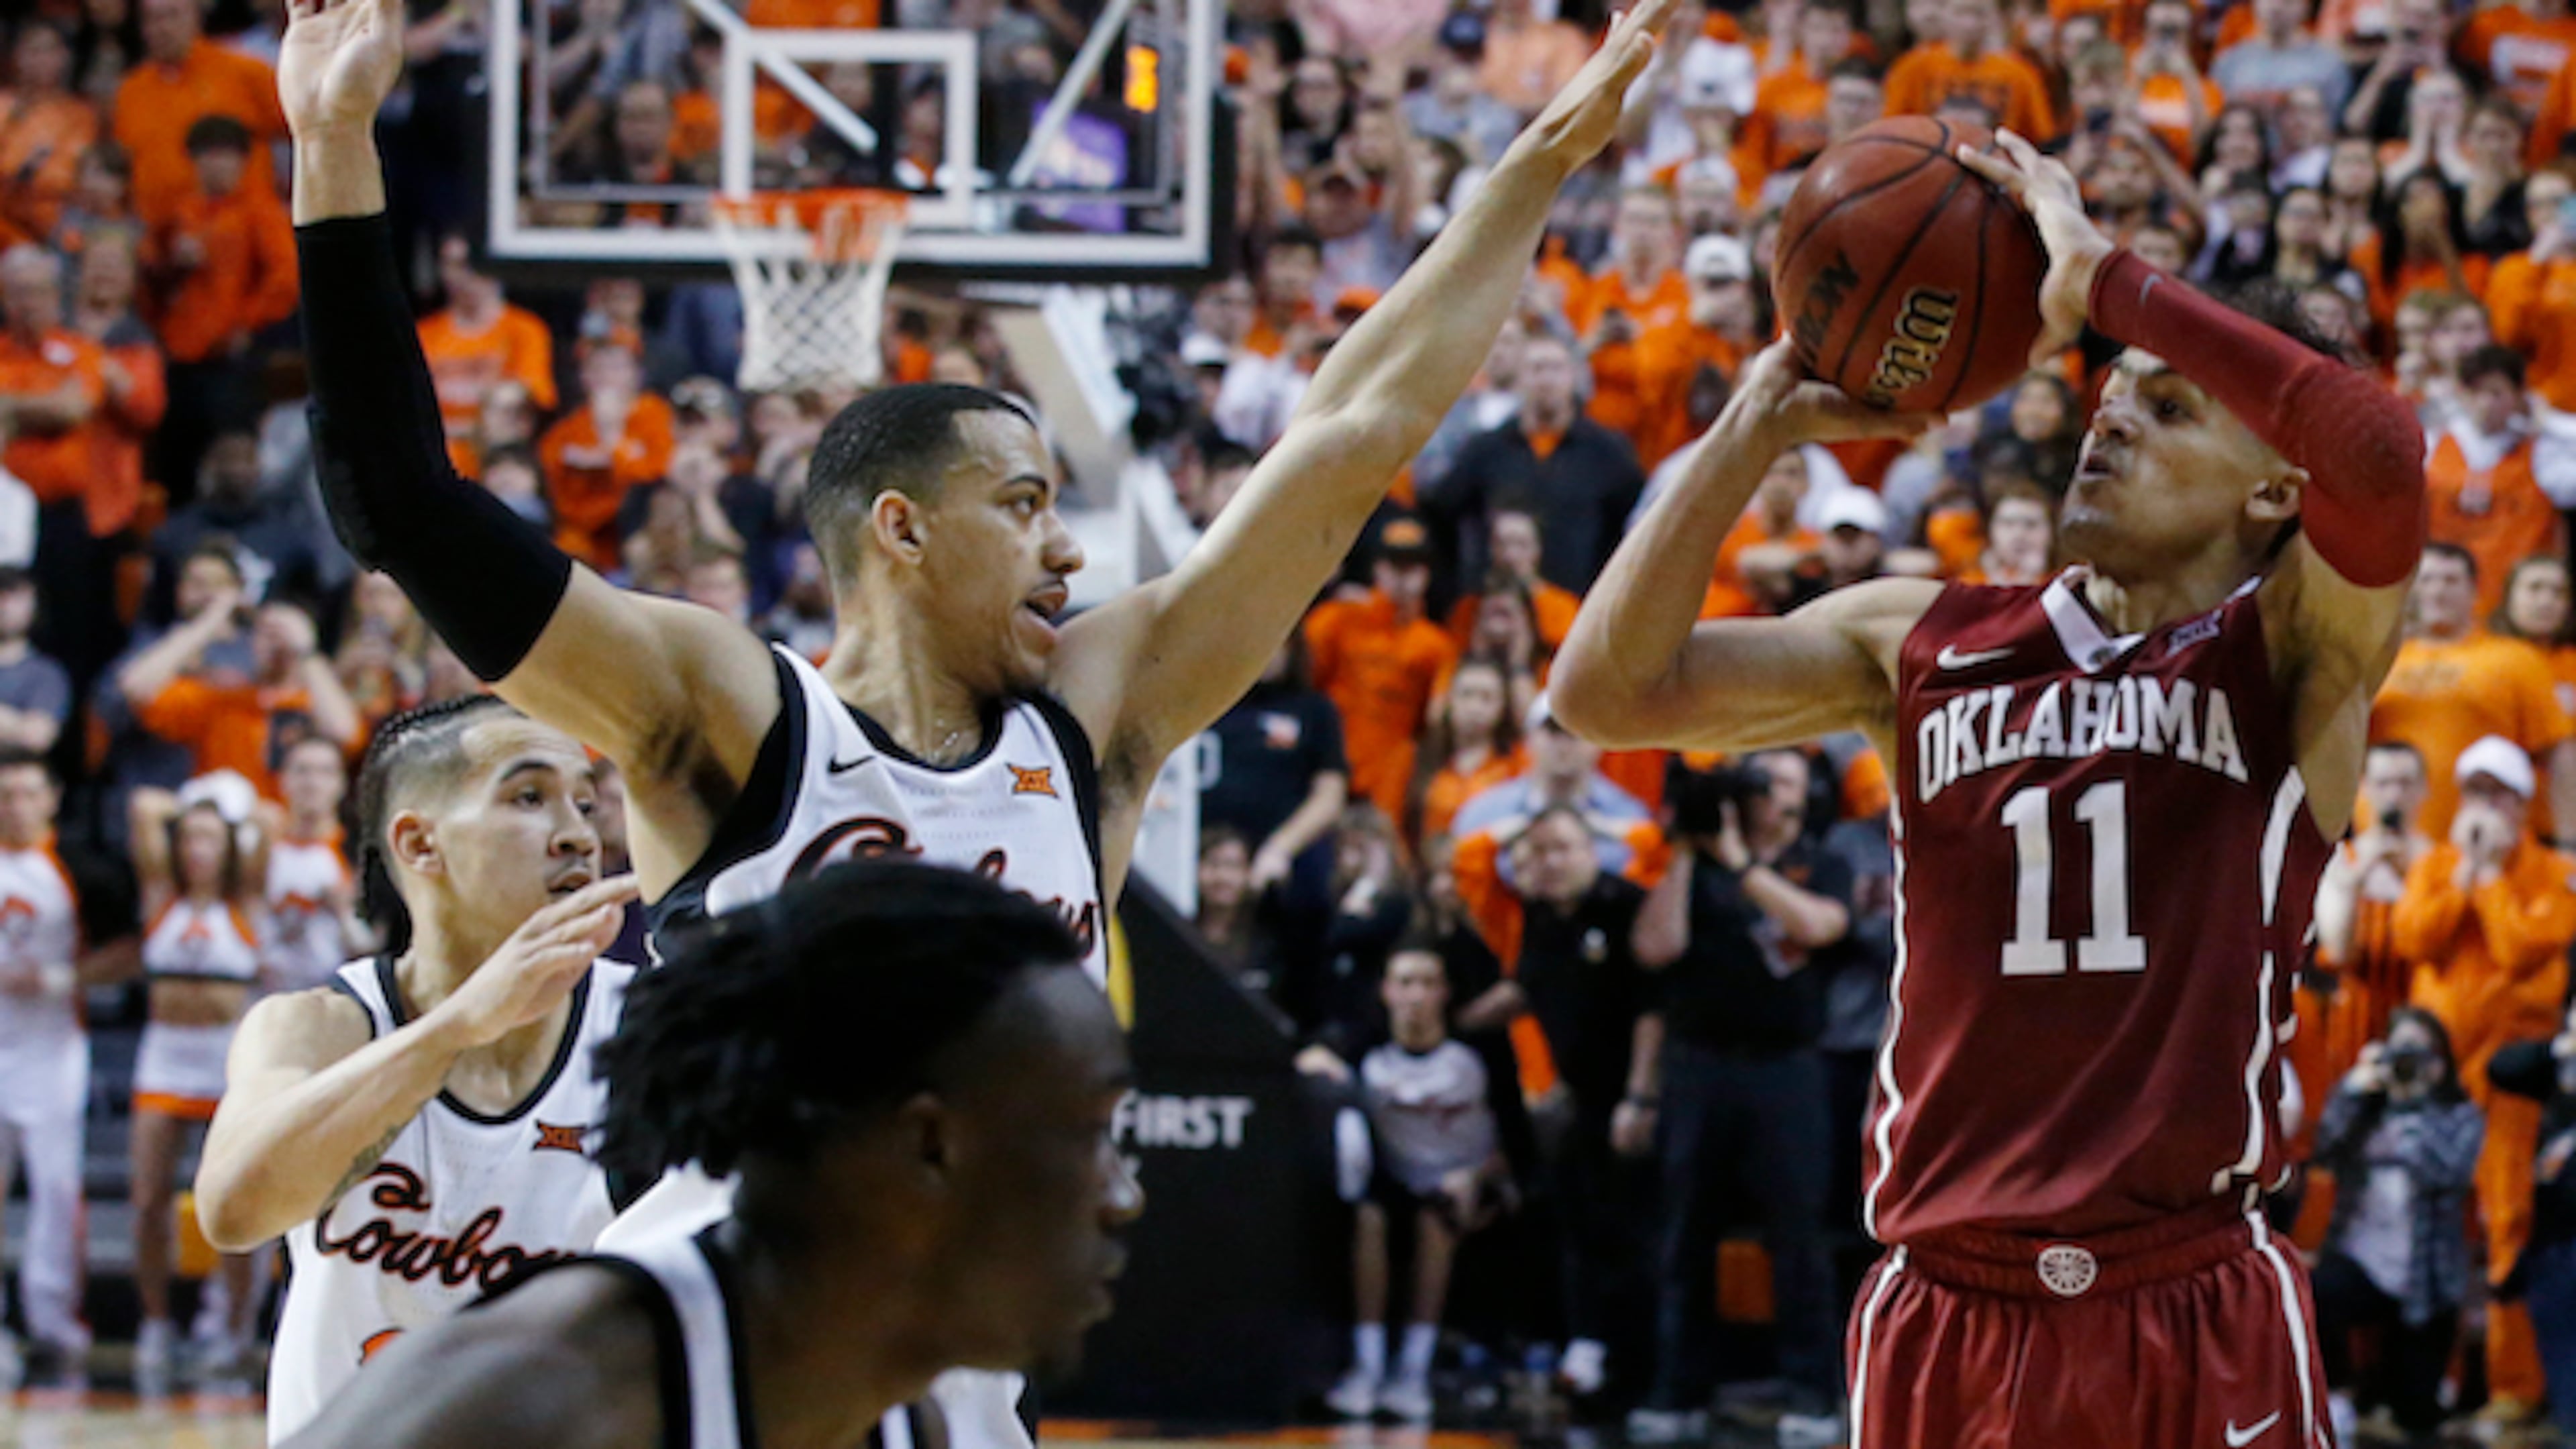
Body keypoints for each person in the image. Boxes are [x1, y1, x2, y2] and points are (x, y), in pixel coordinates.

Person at [280, 0, 1675, 1443]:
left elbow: (1358, 426)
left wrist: (1542, 163)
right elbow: (396, 502)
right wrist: (333, 142)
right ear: (900, 529)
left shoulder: (1091, 718)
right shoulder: (734, 715)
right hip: (728, 1367)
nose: (1067, 553)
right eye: (1025, 506)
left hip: (958, 1403)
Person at [1554, 119, 2430, 1445]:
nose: (2113, 417)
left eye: (2174, 405)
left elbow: (2377, 459)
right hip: (1949, 1312)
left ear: (2272, 497)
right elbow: (1605, 694)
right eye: (2115, 391)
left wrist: (2105, 280)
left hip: (2191, 1302)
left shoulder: (2295, 655)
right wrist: (1754, 424)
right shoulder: (1917, 636)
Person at [277, 859, 1140, 1449]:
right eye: (1090, 1132)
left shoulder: (890, 1410)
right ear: (927, 1144)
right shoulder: (539, 1402)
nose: (1123, 1195)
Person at [189, 697, 639, 1442]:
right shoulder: (319, 1026)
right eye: (530, 797)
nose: (578, 835)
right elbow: (234, 1211)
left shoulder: (645, 1029)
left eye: (586, 804)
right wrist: (460, 1026)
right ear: (420, 845)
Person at [1628, 751, 1852, 1448]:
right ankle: (1679, 1391)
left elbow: (1820, 928)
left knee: (1800, 1239)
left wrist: (1741, 864)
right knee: (1684, 1235)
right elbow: (1655, 949)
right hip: (1700, 1067)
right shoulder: (1702, 864)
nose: (1761, 792)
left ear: (1799, 799)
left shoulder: (1823, 860)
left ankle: (1813, 1395)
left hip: (1788, 1070)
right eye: (1754, 781)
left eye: (1776, 781)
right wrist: (1693, 851)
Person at [2391, 735, 2576, 1428]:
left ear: (2525, 804)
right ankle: (2432, 1388)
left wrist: (2494, 877)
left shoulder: (2552, 870)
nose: (2484, 806)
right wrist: (2469, 871)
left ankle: (2514, 1390)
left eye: (2497, 793)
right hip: (2438, 1083)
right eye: (2474, 791)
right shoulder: (2442, 864)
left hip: (2508, 1085)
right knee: (2429, 1232)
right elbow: (2415, 940)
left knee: (2507, 1228)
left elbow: (2525, 951)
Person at [1325, 947, 1511, 1423]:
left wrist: (1478, 1177)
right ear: (1386, 991)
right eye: (1405, 983)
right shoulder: (1369, 1053)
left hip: (1470, 1182)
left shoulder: (1476, 1055)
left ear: (1445, 993)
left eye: (1428, 984)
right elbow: (1311, 1056)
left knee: (1436, 1218)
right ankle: (1367, 1366)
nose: (1416, 996)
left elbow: (1519, 1137)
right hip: (1398, 1180)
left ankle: (1413, 1369)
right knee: (1369, 1217)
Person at [129, 782, 270, 1391]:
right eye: (189, 836)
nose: (198, 848)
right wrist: (195, 808)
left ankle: (233, 1330)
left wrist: (228, 812)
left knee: (230, 1202)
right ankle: (157, 1325)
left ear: (231, 844)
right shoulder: (162, 895)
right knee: (147, 1199)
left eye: (211, 837)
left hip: (223, 1059)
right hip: (163, 1057)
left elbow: (270, 813)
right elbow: (142, 805)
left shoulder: (246, 899)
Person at [0, 745, 129, 1387]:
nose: (17, 806)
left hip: (52, 1049)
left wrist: (61, 977)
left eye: (28, 793)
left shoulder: (80, 867)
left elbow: (132, 948)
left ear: (51, 799)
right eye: (7, 795)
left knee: (55, 1189)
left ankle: (52, 1321)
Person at [2307, 1009, 2484, 1446]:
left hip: (2427, 1278)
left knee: (2417, 1418)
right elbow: (2322, 1151)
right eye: (2400, 1051)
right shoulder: (2364, 1107)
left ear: (2441, 1062)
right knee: (2312, 1292)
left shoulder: (2460, 1115)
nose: (2409, 1063)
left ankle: (2404, 1401)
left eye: (2421, 1053)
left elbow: (2445, 1172)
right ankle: (2340, 1399)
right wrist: (2354, 1088)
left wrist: (2413, 1107)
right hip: (2361, 1260)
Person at [2371, 543, 2576, 844]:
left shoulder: (2516, 659)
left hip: (2488, 844)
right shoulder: (2377, 661)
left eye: (2451, 580)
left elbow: (2559, 756)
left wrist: (2569, 842)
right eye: (2427, 580)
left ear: (2475, 590)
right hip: (2382, 842)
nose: (2438, 591)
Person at [2487, 998, 2576, 1438]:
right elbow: (2503, 1069)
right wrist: (2563, 1047)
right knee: (2563, 1358)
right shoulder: (2561, 1070)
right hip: (2556, 1242)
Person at [262, 734, 367, 994]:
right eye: (302, 771)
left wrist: (345, 913)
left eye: (325, 772)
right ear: (282, 780)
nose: (312, 783)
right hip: (265, 995)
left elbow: (374, 946)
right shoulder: (259, 852)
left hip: (334, 994)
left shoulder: (360, 852)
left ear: (341, 784)